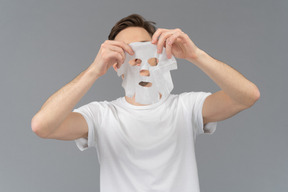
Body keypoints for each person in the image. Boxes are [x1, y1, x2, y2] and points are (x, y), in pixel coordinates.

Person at [31, 14, 260, 192]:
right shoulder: (102, 116)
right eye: (128, 54)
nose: (140, 64)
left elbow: (248, 96)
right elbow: (42, 125)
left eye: (145, 48)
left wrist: (196, 55)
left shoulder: (185, 108)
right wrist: (93, 71)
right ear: (116, 64)